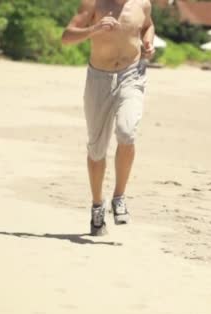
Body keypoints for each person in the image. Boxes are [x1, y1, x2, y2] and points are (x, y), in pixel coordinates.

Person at [62, 0, 155, 236]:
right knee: (96, 150)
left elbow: (147, 26)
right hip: (99, 78)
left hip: (132, 74)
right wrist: (92, 30)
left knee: (127, 131)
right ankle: (97, 206)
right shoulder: (92, 3)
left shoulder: (142, 4)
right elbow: (66, 37)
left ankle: (119, 197)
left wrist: (148, 42)